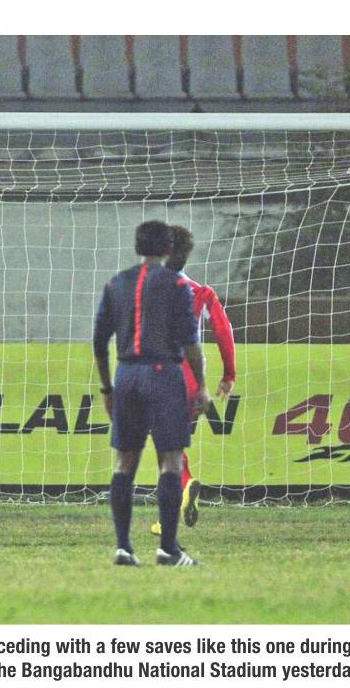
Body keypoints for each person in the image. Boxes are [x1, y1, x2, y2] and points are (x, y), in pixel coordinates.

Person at [93, 220, 211, 567]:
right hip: (164, 375)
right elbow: (190, 343)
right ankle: (168, 549)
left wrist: (108, 387)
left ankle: (123, 548)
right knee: (170, 460)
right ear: (168, 249)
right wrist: (202, 385)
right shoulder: (178, 286)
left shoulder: (116, 284)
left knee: (124, 461)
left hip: (126, 375)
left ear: (137, 247)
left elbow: (99, 342)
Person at [149, 226, 236, 537]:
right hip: (192, 379)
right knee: (172, 446)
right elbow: (224, 330)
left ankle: (184, 488)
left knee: (166, 452)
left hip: (161, 374)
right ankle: (173, 508)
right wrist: (229, 374)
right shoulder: (202, 293)